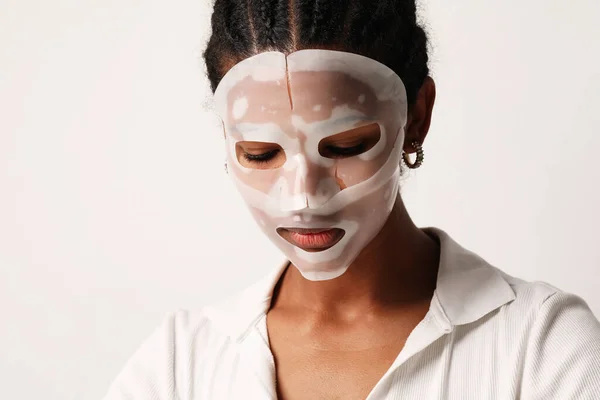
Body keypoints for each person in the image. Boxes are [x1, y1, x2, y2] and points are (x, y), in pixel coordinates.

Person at [103, 0, 600, 398]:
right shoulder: (179, 364)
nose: (303, 198)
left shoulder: (543, 348)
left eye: (345, 147)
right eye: (259, 154)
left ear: (417, 117)